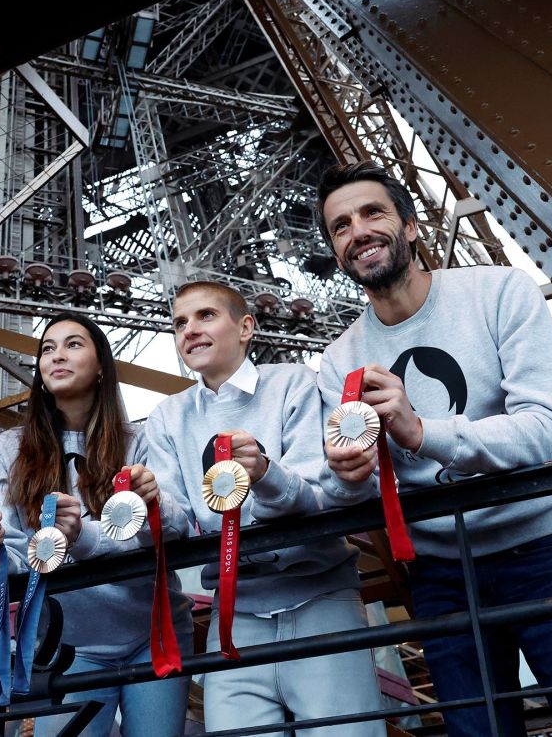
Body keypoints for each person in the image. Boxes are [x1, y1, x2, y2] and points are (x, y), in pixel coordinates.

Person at [315, 160, 552, 736]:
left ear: (412, 225)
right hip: (439, 574)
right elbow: (366, 488)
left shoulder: (498, 291)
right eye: (340, 226)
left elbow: (548, 428)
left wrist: (423, 433)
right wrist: (350, 474)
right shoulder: (337, 359)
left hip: (540, 556)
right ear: (336, 249)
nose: (358, 231)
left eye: (373, 213)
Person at [145, 280, 384, 737]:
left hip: (320, 603)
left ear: (246, 327)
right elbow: (177, 522)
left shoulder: (292, 382)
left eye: (206, 315)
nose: (190, 329)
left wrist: (265, 473)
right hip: (232, 618)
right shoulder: (167, 417)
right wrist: (149, 505)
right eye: (179, 323)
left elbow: (318, 495)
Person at [0, 311, 192, 737]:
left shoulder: (140, 440)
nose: (57, 355)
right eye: (47, 348)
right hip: (66, 646)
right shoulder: (8, 450)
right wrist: (4, 547)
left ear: (101, 367)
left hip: (152, 637)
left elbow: (178, 529)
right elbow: (13, 553)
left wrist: (150, 508)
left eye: (73, 344)